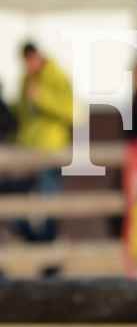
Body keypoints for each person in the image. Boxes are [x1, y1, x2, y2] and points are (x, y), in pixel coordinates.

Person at [12, 42, 75, 243]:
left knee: (49, 196)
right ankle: (33, 238)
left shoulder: (56, 76)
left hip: (52, 149)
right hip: (28, 150)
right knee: (19, 196)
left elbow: (71, 110)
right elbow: (23, 115)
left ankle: (48, 241)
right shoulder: (26, 80)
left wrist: (42, 98)